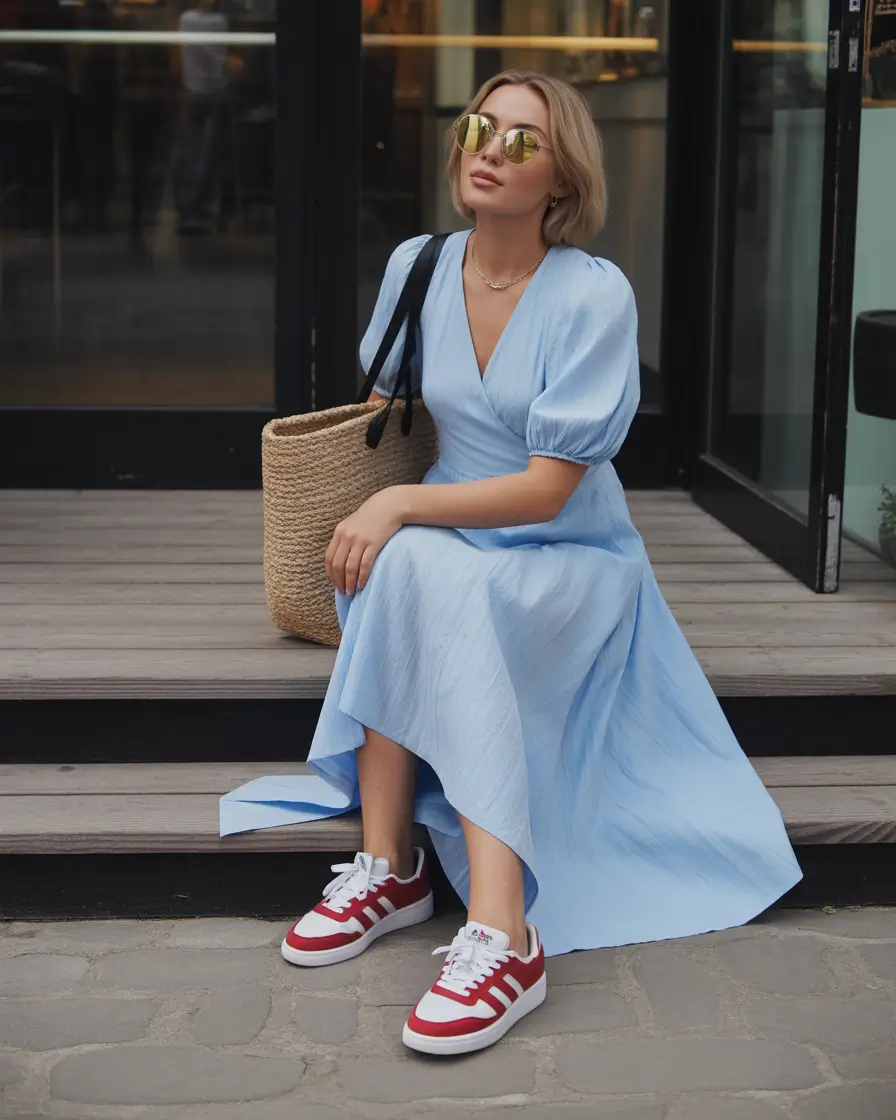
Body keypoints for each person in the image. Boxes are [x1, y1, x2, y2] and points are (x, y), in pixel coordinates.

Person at [221, 69, 802, 1056]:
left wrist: (399, 500)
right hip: (454, 532)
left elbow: (545, 491)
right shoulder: (416, 265)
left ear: (561, 180)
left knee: (421, 564)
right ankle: (389, 867)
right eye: (477, 128)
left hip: (566, 555)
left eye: (521, 140)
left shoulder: (592, 294)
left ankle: (503, 930)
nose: (489, 149)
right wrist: (391, 497)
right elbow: (392, 409)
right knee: (415, 568)